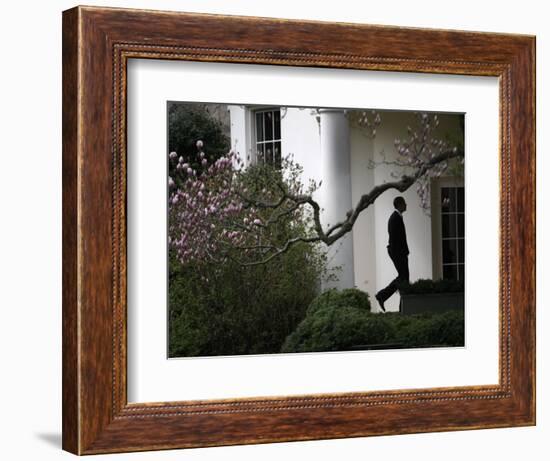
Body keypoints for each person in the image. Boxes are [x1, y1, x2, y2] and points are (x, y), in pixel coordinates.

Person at [375, 196, 410, 312]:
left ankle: (402, 307)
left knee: (404, 279)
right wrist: (402, 254)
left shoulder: (397, 217)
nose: (406, 205)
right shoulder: (395, 218)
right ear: (400, 204)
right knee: (403, 278)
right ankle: (383, 296)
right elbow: (395, 239)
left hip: (399, 253)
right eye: (404, 203)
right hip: (398, 253)